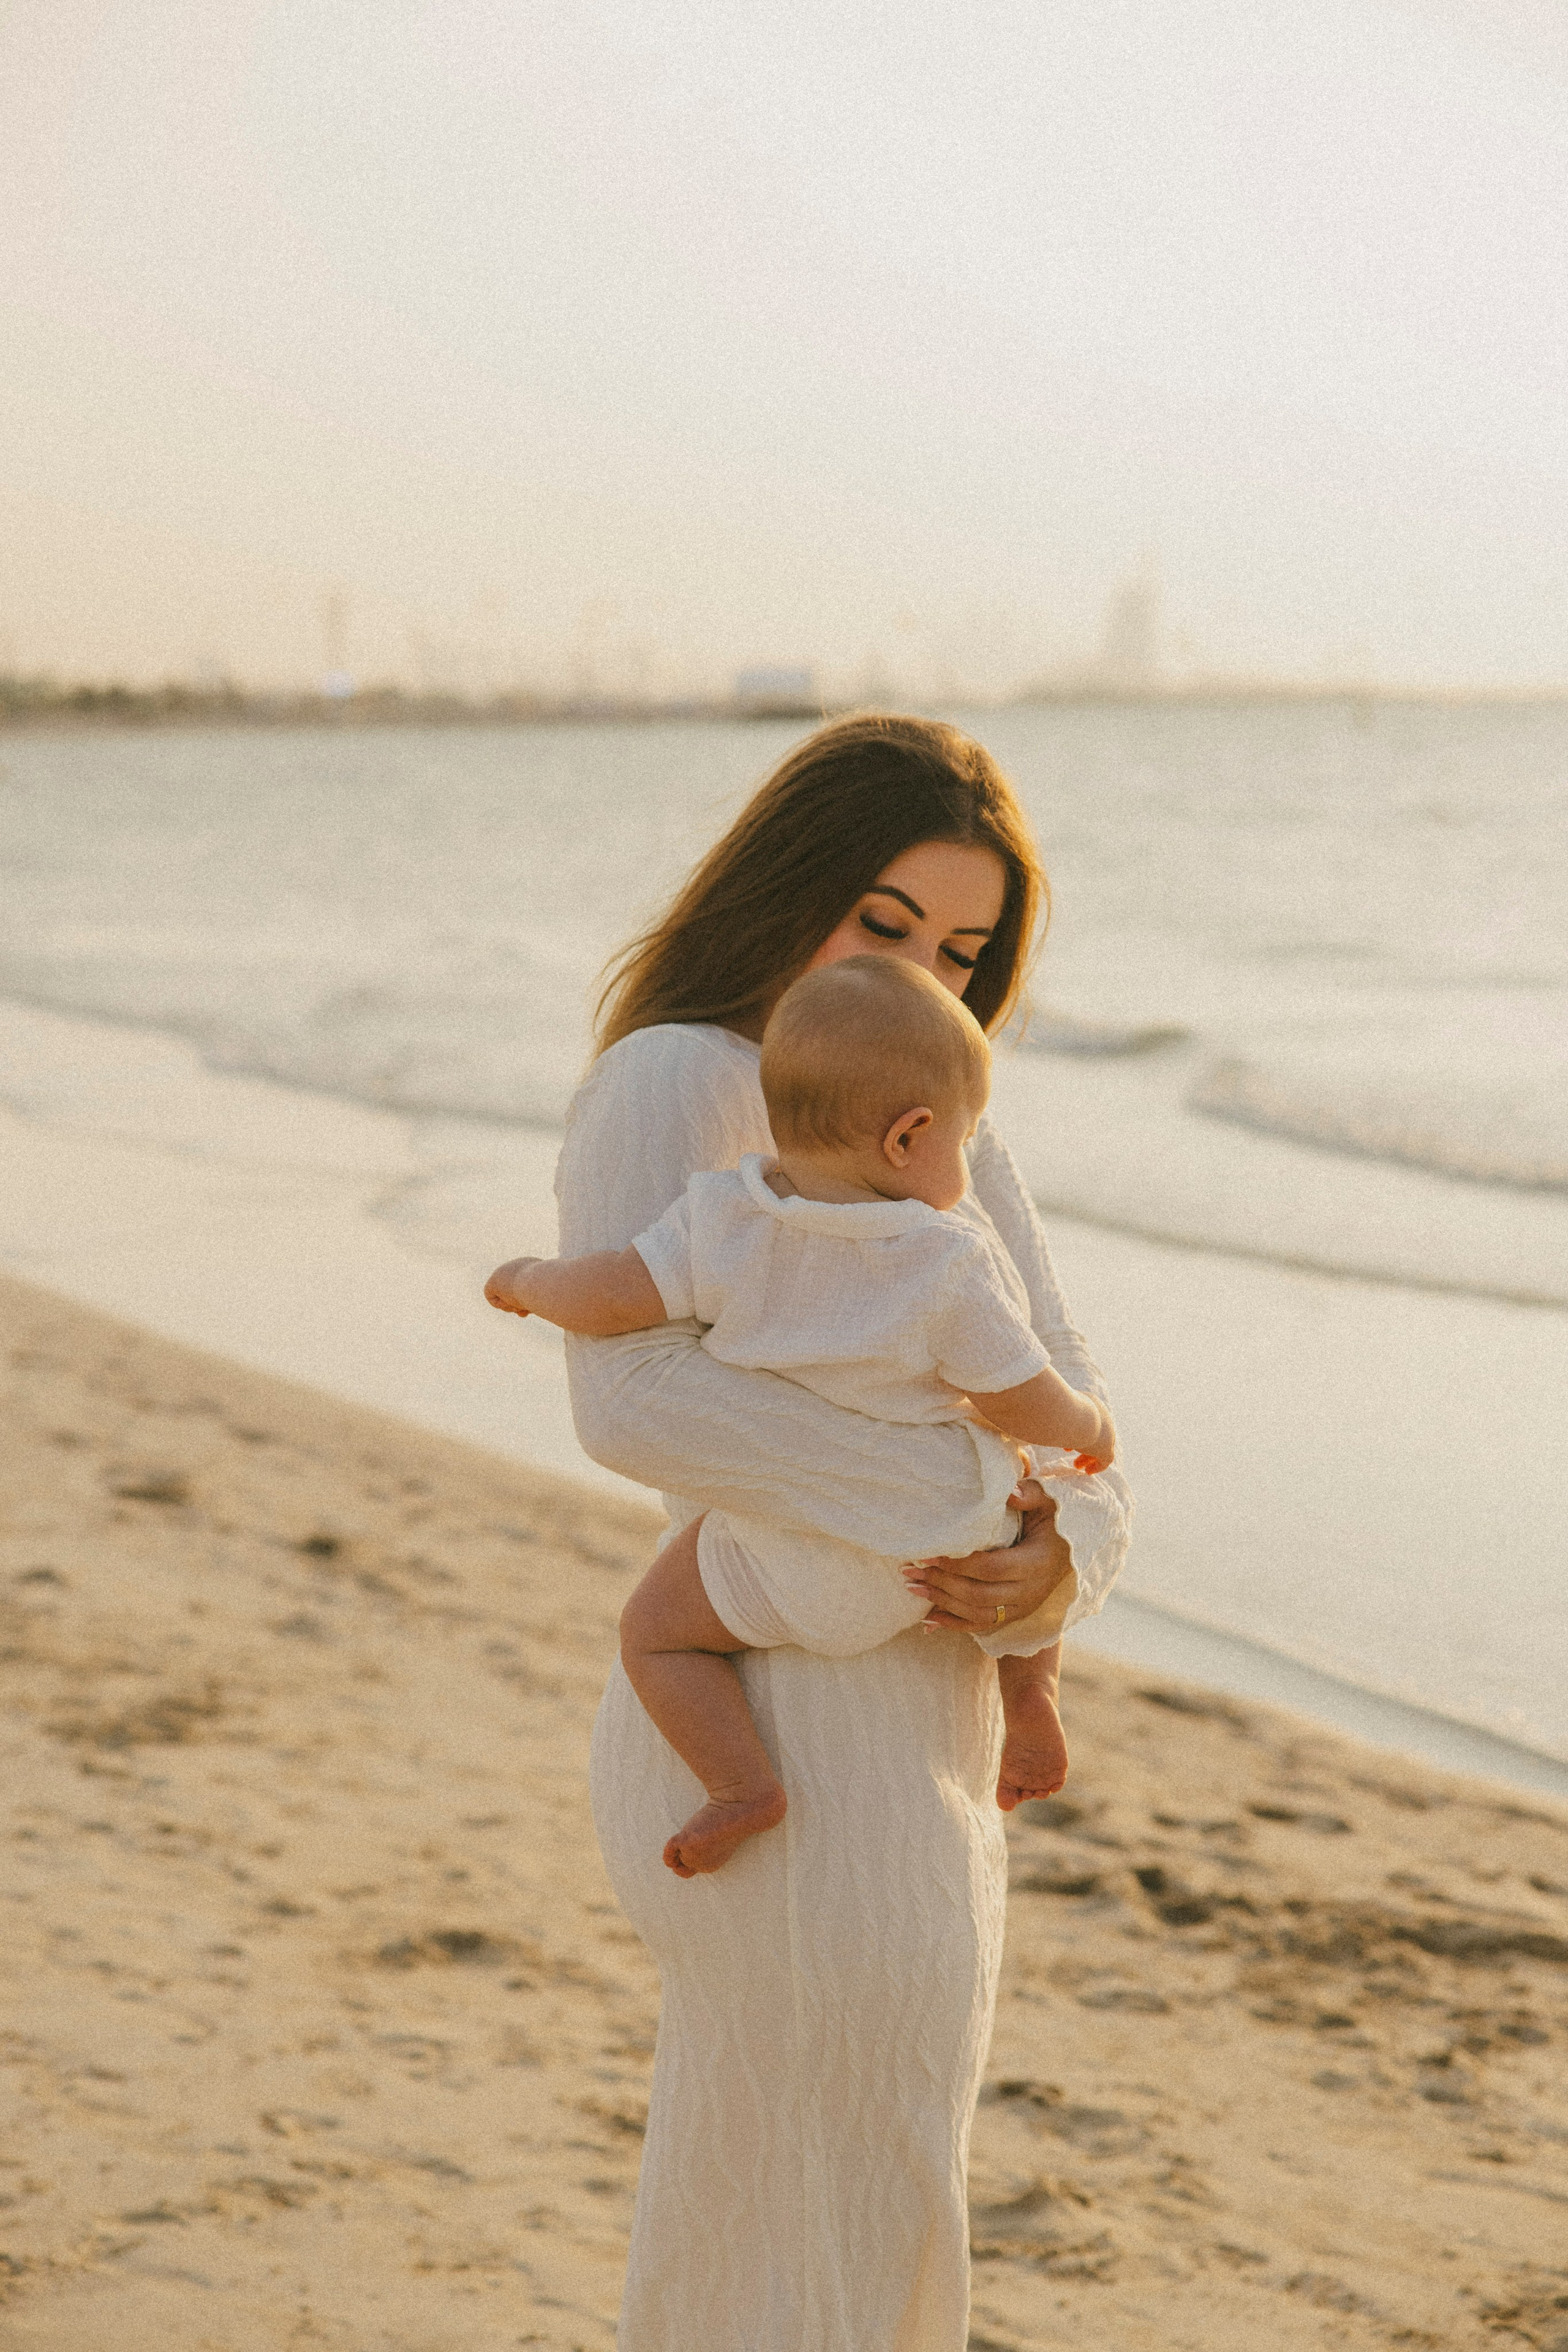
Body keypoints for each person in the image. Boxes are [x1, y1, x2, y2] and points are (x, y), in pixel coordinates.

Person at [541, 713, 1130, 2351]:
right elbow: (632, 1402)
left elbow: (1073, 1403)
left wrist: (1064, 1554)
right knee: (853, 2188)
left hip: (928, 1721)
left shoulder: (938, 1120)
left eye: (962, 947)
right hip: (772, 1715)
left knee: (806, 2181)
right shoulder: (680, 1075)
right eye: (886, 923)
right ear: (790, 883)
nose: (926, 973)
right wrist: (965, 1503)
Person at [486, 954, 1115, 1879]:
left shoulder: (725, 1217)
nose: (967, 1161)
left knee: (655, 1635)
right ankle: (1031, 1695)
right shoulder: (946, 1259)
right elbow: (1017, 1392)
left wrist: (530, 1282)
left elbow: (617, 1292)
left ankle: (742, 1785)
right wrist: (1088, 1427)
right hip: (940, 1546)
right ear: (910, 1137)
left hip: (783, 1560)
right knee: (1027, 1518)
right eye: (964, 1138)